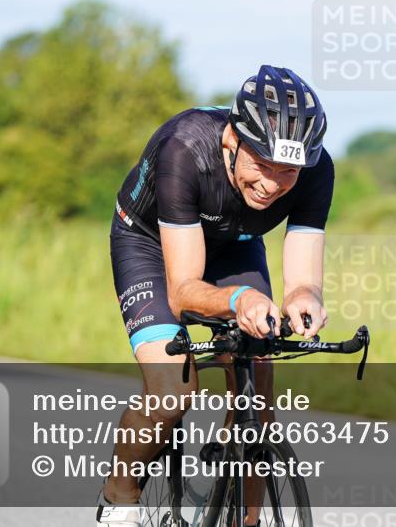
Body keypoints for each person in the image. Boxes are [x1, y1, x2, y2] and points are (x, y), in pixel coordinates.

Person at [97, 65, 334, 526]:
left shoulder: (317, 169)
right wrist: (240, 300)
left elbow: (304, 272)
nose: (271, 183)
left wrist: (305, 298)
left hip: (235, 243)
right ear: (232, 140)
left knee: (258, 381)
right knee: (173, 390)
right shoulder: (185, 149)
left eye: (288, 172)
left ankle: (244, 518)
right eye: (261, 165)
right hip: (148, 240)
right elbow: (184, 291)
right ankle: (119, 497)